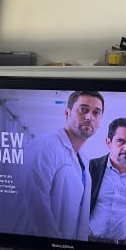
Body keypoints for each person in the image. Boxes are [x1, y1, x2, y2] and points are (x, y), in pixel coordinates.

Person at [23, 91, 104, 241]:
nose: (89, 117)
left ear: (100, 120)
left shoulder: (84, 160)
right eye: (83, 109)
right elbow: (35, 203)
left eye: (96, 112)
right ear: (67, 113)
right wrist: (56, 245)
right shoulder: (45, 146)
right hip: (42, 248)